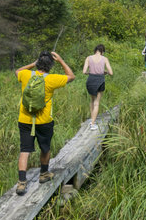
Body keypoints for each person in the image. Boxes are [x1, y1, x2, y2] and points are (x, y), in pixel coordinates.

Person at [14, 51, 74, 196]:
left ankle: (22, 183)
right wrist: (60, 60)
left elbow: (17, 71)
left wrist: (33, 64)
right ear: (50, 66)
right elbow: (71, 76)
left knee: (25, 150)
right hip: (44, 120)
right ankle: (44, 174)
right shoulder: (51, 79)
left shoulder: (26, 75)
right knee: (45, 148)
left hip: (25, 119)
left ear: (38, 64)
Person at [82, 44, 114, 130]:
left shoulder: (88, 58)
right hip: (100, 80)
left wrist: (90, 73)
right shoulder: (104, 59)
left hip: (90, 79)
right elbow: (111, 73)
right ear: (102, 51)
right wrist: (105, 72)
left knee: (92, 100)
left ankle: (92, 120)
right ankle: (93, 124)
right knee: (97, 102)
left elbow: (84, 71)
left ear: (95, 50)